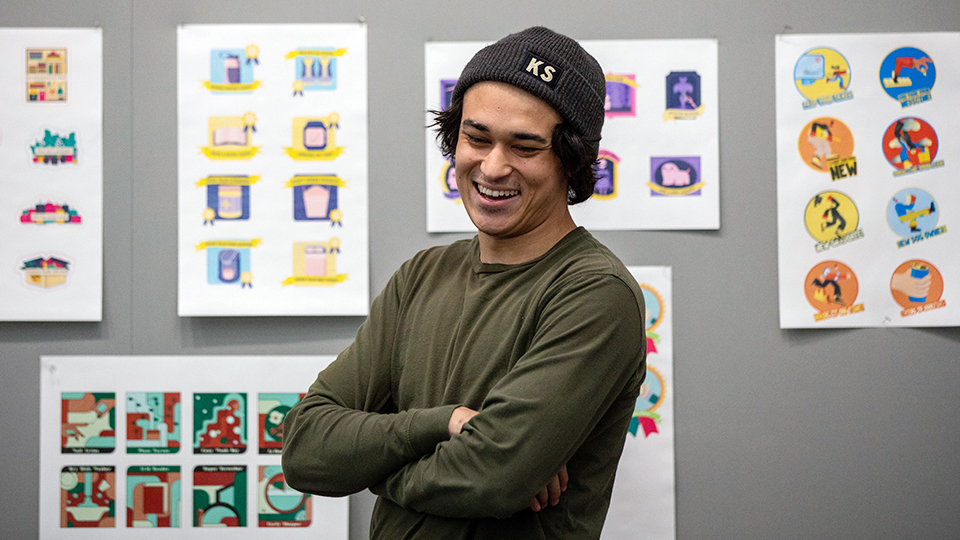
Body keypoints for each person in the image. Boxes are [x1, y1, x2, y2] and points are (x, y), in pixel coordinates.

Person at [282, 26, 647, 539]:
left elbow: (490, 478)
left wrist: (372, 469)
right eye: (476, 138)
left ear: (571, 159)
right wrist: (443, 423)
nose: (492, 167)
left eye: (524, 147)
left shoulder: (593, 292)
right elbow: (305, 447)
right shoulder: (421, 276)